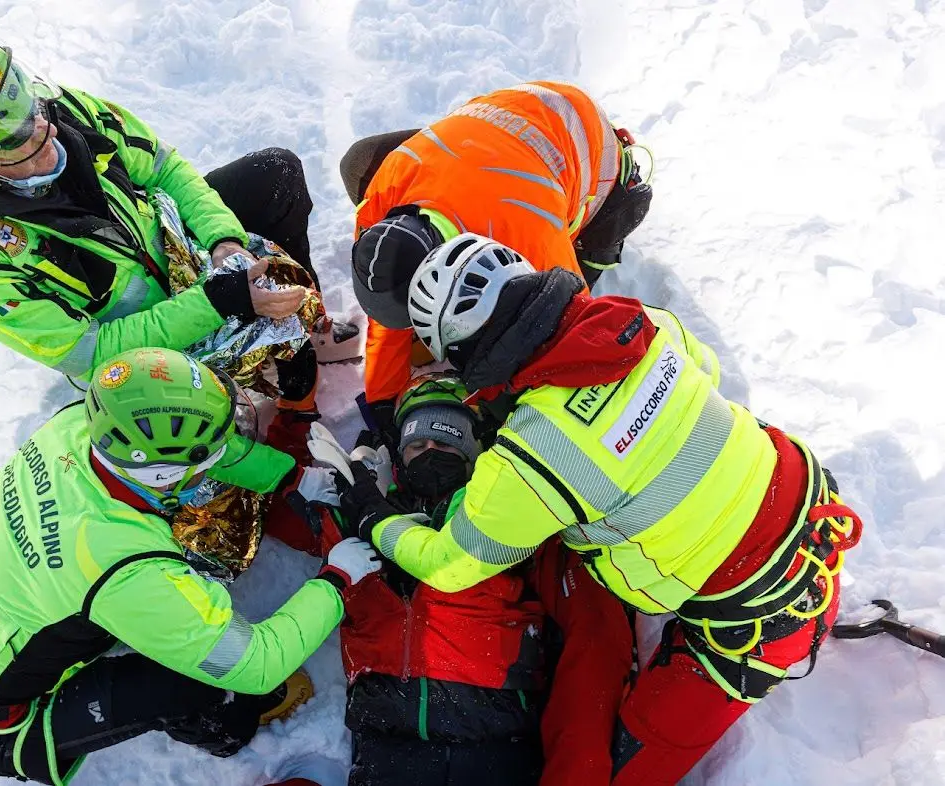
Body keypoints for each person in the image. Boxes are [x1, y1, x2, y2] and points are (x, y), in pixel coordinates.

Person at [339, 234, 865, 785]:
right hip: (808, 502)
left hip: (760, 617)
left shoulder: (536, 450)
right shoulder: (636, 321)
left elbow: (449, 564)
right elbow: (704, 370)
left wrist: (377, 517)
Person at [0, 348, 381, 785]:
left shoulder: (82, 427)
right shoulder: (123, 563)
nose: (224, 448)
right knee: (196, 678)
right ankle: (227, 725)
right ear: (163, 474)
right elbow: (253, 664)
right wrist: (336, 582)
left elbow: (202, 454)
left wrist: (291, 476)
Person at [0, 26, 359, 413]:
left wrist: (224, 242)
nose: (46, 127)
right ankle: (267, 391)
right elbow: (90, 353)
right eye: (15, 132)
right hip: (136, 346)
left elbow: (163, 166)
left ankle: (295, 322)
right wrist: (216, 302)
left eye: (26, 98)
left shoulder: (62, 110)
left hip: (175, 251)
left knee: (274, 174)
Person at [308, 374, 634, 786]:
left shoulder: (521, 523)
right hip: (387, 744)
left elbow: (594, 636)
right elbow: (273, 513)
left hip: (495, 742)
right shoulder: (354, 514)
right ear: (398, 456)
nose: (431, 453)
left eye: (447, 444)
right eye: (418, 444)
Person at [340, 81, 653, 427]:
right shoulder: (379, 207)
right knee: (358, 163)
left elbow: (576, 336)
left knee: (532, 320)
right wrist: (383, 402)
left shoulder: (525, 236)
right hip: (499, 128)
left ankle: (607, 225)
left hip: (586, 140)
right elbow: (383, 318)